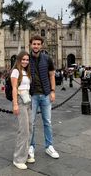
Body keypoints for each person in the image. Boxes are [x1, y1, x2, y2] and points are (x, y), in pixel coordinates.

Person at [28, 35, 59, 163]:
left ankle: (49, 146)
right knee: (32, 123)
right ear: (30, 44)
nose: (36, 46)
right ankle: (31, 147)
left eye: (38, 44)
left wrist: (52, 91)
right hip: (32, 96)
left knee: (47, 122)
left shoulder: (47, 58)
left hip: (45, 94)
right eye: (34, 44)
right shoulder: (26, 59)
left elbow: (52, 75)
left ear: (41, 45)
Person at [11, 50, 32, 170]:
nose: (25, 61)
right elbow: (14, 88)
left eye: (27, 60)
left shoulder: (26, 71)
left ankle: (25, 153)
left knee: (29, 128)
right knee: (23, 130)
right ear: (19, 60)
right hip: (20, 100)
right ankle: (18, 159)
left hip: (27, 99)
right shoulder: (15, 71)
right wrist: (15, 104)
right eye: (23, 59)